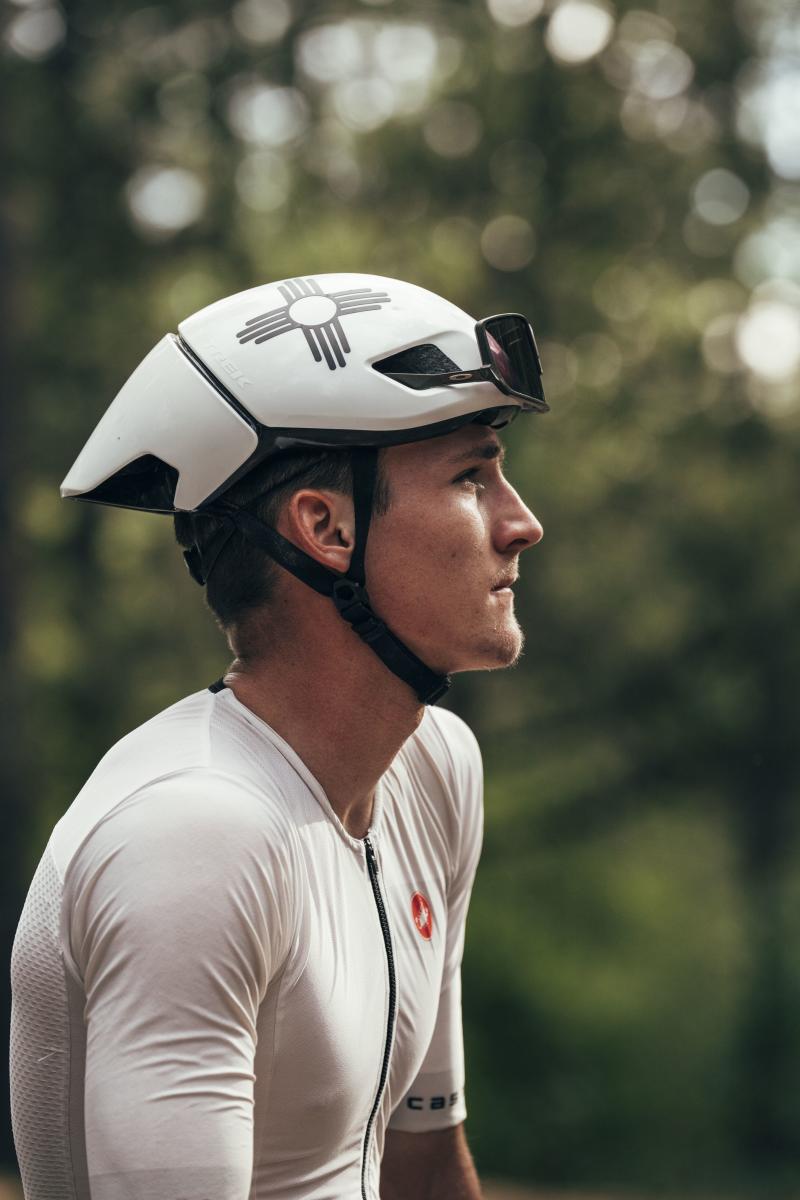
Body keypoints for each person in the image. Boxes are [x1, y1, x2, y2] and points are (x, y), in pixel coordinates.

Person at [10, 273, 546, 1200]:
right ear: (326, 528)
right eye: (471, 476)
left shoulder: (432, 770)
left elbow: (421, 1161)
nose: (522, 524)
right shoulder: (195, 840)